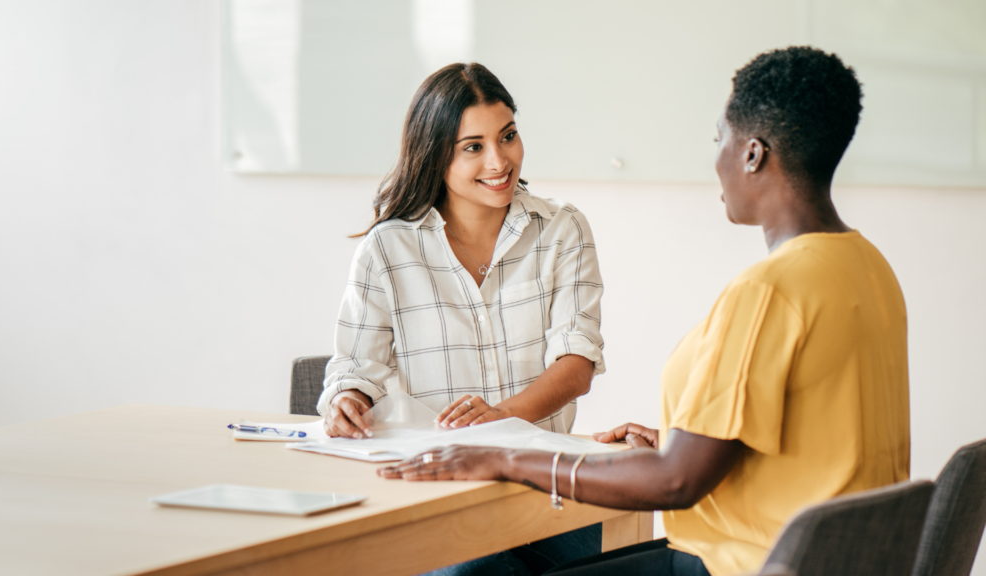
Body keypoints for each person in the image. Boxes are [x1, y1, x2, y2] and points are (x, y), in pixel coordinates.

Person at [379, 46, 910, 576]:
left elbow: (676, 484)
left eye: (718, 140)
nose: (716, 159)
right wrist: (682, 440)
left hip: (745, 563)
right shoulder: (867, 267)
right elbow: (819, 437)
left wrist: (504, 457)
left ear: (753, 154)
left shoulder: (770, 291)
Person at [316, 63, 607, 573]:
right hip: (439, 489)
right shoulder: (388, 247)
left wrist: (503, 416)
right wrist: (347, 399)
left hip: (546, 489)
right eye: (473, 146)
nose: (499, 160)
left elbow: (576, 362)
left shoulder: (562, 229)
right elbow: (356, 366)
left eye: (508, 136)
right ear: (435, 155)